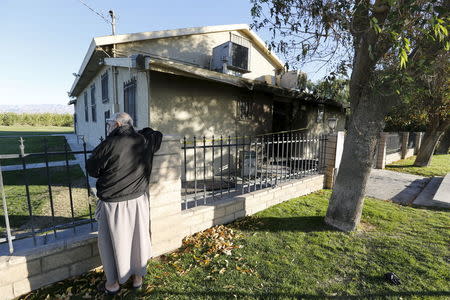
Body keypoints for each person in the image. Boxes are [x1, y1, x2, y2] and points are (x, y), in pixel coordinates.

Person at [86, 112, 163, 295]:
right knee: (138, 239)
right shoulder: (144, 140)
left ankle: (112, 284)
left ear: (117, 125)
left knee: (111, 243)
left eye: (109, 123)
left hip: (114, 204)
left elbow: (92, 169)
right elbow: (157, 135)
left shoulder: (109, 144)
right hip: (138, 201)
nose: (107, 126)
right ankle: (137, 278)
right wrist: (140, 130)